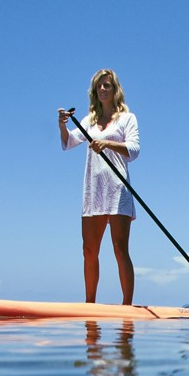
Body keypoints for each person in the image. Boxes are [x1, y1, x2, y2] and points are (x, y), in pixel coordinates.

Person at [58, 69, 140, 305]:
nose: (103, 89)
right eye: (99, 86)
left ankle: (127, 306)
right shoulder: (89, 120)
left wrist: (108, 143)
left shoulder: (127, 118)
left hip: (118, 189)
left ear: (115, 90)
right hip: (94, 191)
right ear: (95, 91)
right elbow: (68, 143)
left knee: (119, 249)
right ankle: (89, 305)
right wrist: (62, 125)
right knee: (89, 250)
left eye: (108, 85)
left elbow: (134, 151)